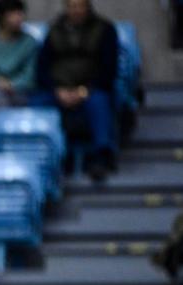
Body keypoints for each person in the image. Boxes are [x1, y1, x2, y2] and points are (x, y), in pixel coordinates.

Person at [34, 0, 120, 183]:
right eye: (72, 6)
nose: (76, 11)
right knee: (36, 104)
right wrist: (57, 90)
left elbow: (109, 70)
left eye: (80, 6)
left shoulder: (104, 30)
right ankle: (46, 158)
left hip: (92, 88)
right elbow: (41, 68)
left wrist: (83, 91)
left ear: (88, 6)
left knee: (99, 101)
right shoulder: (54, 30)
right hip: (58, 90)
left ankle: (101, 156)